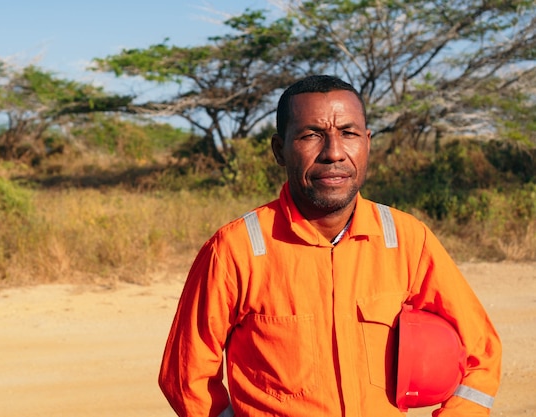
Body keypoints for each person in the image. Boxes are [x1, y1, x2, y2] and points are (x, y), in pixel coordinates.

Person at [158, 75, 502, 416]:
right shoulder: (237, 249)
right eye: (311, 135)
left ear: (367, 142)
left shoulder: (406, 239)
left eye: (349, 133)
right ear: (280, 150)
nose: (334, 153)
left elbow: (481, 353)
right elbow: (186, 375)